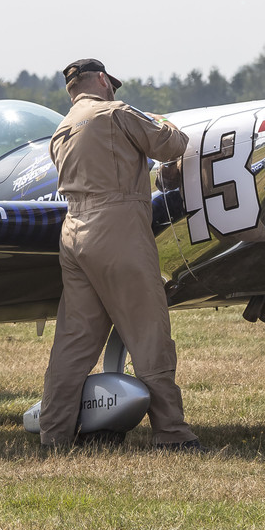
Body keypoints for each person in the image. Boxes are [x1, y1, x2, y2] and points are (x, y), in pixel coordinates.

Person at [39, 58, 202, 452]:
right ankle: (171, 432)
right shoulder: (115, 113)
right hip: (118, 229)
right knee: (148, 332)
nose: (113, 88)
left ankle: (54, 434)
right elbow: (173, 145)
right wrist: (164, 122)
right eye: (110, 82)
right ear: (101, 79)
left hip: (74, 233)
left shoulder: (60, 131)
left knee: (74, 342)